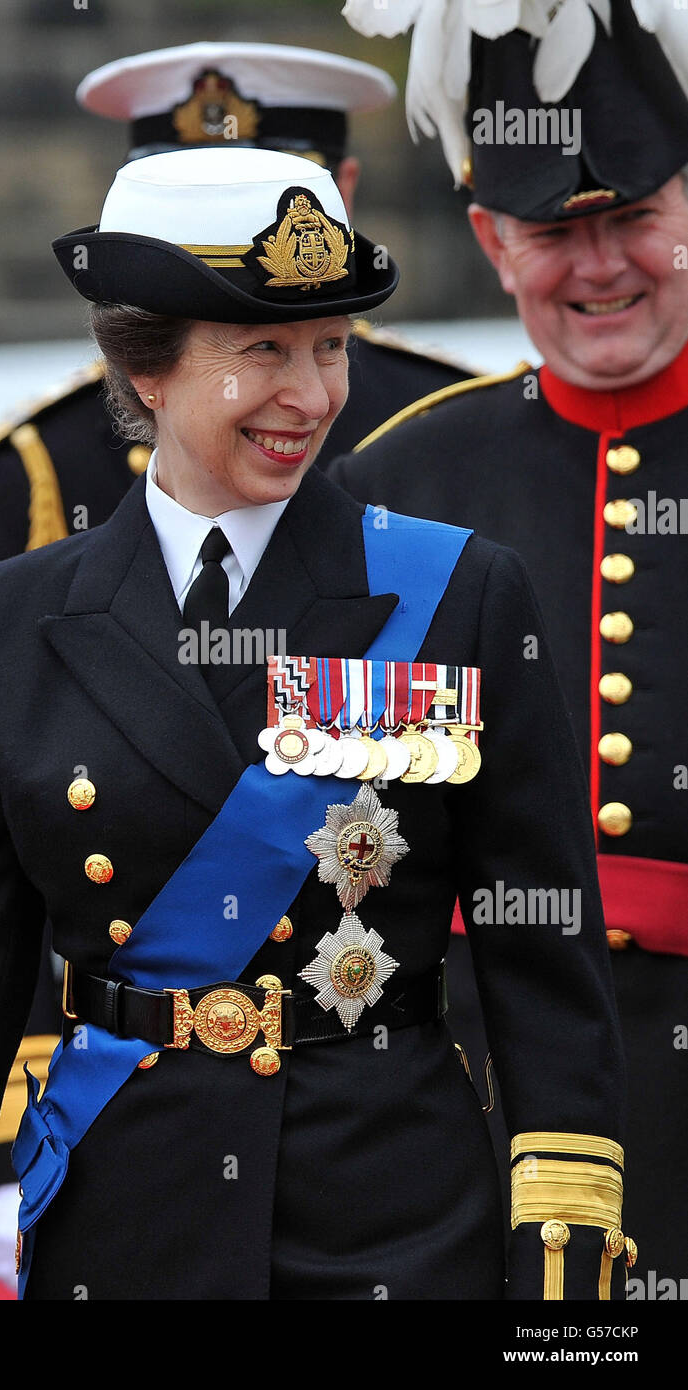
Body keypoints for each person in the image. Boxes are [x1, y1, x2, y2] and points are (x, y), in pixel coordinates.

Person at [0, 146, 627, 1302]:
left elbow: (543, 958)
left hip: (396, 1220)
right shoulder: (6, 621)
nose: (313, 395)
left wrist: (560, 1246)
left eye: (328, 347)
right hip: (123, 1218)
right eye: (263, 351)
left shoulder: (462, 592)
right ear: (147, 368)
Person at [334, 0, 688, 1285]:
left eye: (633, 218)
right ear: (491, 239)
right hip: (467, 1102)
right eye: (552, 231)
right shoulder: (396, 484)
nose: (597, 266)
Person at [0, 41, 474, 580]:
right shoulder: (45, 458)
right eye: (191, 197)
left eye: (329, 346)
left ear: (341, 194)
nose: (311, 399)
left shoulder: (452, 421)